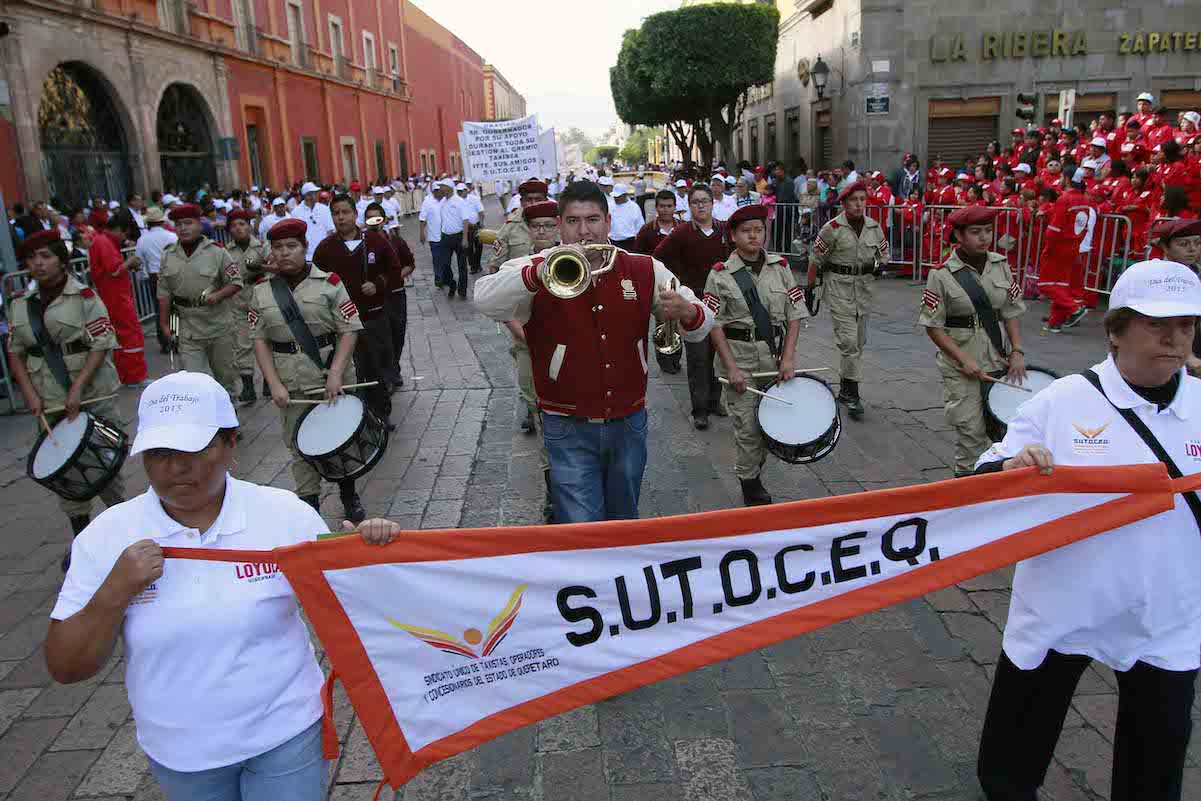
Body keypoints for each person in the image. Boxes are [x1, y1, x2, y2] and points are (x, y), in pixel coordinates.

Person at [43, 371, 403, 801]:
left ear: (230, 442)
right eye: (160, 452)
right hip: (182, 753)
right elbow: (66, 666)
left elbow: (363, 609)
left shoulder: (283, 515)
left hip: (286, 733)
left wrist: (370, 554)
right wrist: (114, 591)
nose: (177, 467)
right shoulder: (107, 535)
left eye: (195, 449)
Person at [972, 259, 1201, 801]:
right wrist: (1011, 468)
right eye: (1156, 324)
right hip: (1064, 602)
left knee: (1155, 762)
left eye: (1186, 325)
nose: (1174, 338)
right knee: (1012, 759)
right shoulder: (1064, 400)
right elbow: (981, 478)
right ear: (1116, 330)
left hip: (1166, 613)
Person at [474, 180, 715, 523]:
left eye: (592, 220)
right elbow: (484, 299)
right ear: (560, 226)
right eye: (573, 221)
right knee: (580, 524)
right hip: (566, 423)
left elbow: (703, 322)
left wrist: (687, 311)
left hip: (628, 420)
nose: (584, 231)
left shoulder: (643, 267)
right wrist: (537, 273)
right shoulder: (535, 264)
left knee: (624, 518)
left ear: (608, 223)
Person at [8, 229, 126, 571]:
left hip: (93, 394)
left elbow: (101, 344)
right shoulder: (21, 305)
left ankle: (125, 533)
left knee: (105, 466)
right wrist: (30, 394)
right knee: (65, 472)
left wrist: (77, 389)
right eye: (32, 258)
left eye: (45, 256)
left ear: (61, 259)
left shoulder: (85, 296)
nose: (38, 263)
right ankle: (83, 541)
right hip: (49, 399)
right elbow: (16, 353)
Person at [251, 218, 366, 521]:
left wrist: (336, 374)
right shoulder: (262, 291)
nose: (284, 252)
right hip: (291, 381)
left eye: (292, 246)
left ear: (305, 247)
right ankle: (309, 505)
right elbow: (260, 341)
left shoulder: (330, 283)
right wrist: (274, 384)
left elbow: (349, 330)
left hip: (331, 374)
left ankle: (348, 494)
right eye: (278, 247)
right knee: (298, 443)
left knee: (340, 438)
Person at [704, 204, 805, 506]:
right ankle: (749, 482)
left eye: (758, 230)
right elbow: (714, 325)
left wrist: (788, 359)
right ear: (733, 236)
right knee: (747, 428)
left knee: (771, 423)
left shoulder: (781, 268)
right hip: (740, 359)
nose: (753, 236)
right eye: (746, 231)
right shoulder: (720, 275)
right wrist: (731, 368)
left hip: (772, 358)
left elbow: (794, 316)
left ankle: (753, 466)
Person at [919, 207, 1027, 476]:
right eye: (976, 232)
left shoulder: (1001, 265)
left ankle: (990, 481)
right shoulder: (942, 274)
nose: (984, 238)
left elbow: (1011, 312)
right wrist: (963, 359)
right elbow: (933, 326)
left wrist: (1017, 351)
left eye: (988, 231)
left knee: (999, 427)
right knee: (970, 430)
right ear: (959, 235)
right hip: (960, 364)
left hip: (997, 359)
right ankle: (966, 483)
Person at [313, 195, 400, 425]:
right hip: (341, 324)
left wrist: (377, 284)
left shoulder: (375, 241)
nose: (341, 218)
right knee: (351, 370)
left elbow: (394, 270)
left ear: (355, 214)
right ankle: (356, 418)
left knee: (377, 366)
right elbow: (315, 281)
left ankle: (381, 413)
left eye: (345, 212)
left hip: (373, 316)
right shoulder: (325, 248)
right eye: (336, 213)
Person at [807, 181, 889, 420]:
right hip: (839, 290)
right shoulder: (832, 228)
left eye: (862, 199)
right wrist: (810, 289)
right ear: (844, 203)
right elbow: (816, 260)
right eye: (854, 200)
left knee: (859, 343)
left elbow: (884, 253)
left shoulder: (874, 227)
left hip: (863, 290)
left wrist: (878, 265)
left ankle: (844, 388)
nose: (859, 204)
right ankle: (853, 394)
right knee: (849, 343)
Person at [654, 183, 729, 429]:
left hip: (722, 304)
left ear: (712, 203)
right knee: (698, 358)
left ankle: (715, 401)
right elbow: (657, 259)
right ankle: (700, 410)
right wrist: (675, 283)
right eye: (695, 202)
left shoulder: (725, 231)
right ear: (689, 206)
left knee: (719, 355)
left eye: (705, 201)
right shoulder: (681, 233)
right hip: (693, 304)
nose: (701, 206)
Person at [504, 200, 558, 523]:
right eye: (536, 226)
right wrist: (526, 335)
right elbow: (504, 307)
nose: (542, 232)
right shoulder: (518, 265)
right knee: (542, 416)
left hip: (566, 350)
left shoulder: (571, 258)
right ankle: (553, 492)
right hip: (529, 349)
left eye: (549, 226)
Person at [157, 204, 242, 400]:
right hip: (188, 328)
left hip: (219, 326)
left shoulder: (217, 252)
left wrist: (218, 296)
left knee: (225, 379)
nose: (183, 228)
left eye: (188, 223)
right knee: (195, 381)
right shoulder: (168, 256)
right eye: (179, 224)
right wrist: (164, 324)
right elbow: (164, 293)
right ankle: (206, 418)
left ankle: (229, 416)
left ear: (199, 224)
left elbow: (236, 282)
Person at [88, 214, 148, 385]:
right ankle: (135, 376)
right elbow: (114, 270)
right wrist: (131, 261)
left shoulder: (100, 241)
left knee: (121, 338)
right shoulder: (104, 242)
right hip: (117, 298)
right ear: (118, 229)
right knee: (130, 335)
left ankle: (125, 375)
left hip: (113, 297)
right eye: (124, 234)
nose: (124, 238)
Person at [1036, 169, 1091, 334]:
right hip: (1074, 245)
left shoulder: (1065, 199)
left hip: (1059, 246)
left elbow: (1054, 229)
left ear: (1067, 179)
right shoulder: (1084, 200)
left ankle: (1074, 309)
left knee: (1046, 284)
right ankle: (1055, 322)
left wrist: (1048, 247)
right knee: (1060, 286)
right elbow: (1082, 226)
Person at [224, 209, 270, 405]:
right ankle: (248, 386)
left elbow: (273, 269)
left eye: (242, 224)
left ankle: (269, 380)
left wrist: (260, 271)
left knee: (267, 340)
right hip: (237, 302)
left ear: (249, 227)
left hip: (261, 301)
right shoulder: (225, 252)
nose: (238, 228)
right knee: (242, 345)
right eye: (234, 225)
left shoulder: (262, 248)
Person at [635, 190, 683, 374]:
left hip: (678, 283)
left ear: (675, 207)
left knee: (677, 323)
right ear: (656, 208)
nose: (666, 210)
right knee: (663, 323)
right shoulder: (647, 231)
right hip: (658, 285)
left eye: (669, 206)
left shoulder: (682, 229)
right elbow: (639, 256)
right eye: (662, 206)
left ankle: (676, 358)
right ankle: (664, 360)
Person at [289, 182, 334, 261]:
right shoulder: (296, 212)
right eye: (314, 193)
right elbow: (294, 235)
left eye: (316, 193)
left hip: (324, 254)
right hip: (305, 256)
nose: (317, 195)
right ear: (307, 196)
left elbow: (330, 230)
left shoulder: (324, 209)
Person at [418, 180, 444, 287]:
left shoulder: (445, 200)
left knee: (445, 259)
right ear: (433, 191)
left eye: (439, 190)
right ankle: (438, 278)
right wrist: (422, 233)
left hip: (446, 235)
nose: (438, 193)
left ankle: (445, 277)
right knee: (436, 259)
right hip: (434, 237)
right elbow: (422, 219)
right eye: (436, 190)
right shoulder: (427, 202)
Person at [608, 184, 644, 250]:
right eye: (614, 196)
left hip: (629, 242)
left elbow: (640, 225)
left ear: (625, 195)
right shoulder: (609, 206)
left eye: (618, 196)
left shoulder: (634, 207)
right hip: (612, 241)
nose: (616, 198)